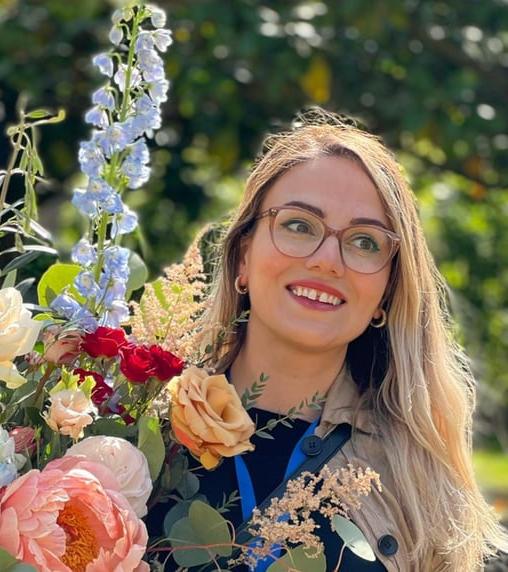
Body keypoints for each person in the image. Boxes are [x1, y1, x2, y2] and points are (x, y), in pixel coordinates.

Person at [156, 110, 508, 571]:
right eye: (299, 225)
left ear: (387, 291)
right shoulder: (134, 433)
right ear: (243, 256)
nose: (328, 260)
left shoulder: (421, 486)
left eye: (365, 241)